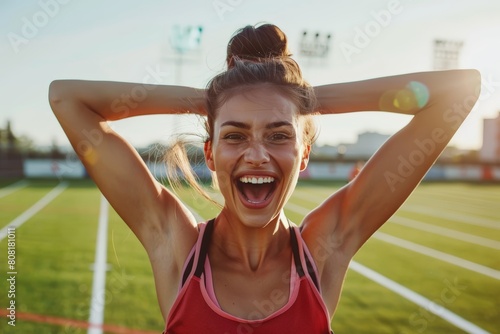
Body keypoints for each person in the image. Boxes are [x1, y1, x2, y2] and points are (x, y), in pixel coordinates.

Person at [49, 23, 481, 333]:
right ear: (212, 154)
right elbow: (66, 97)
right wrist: (214, 98)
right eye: (235, 135)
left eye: (279, 135)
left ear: (304, 153)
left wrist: (302, 99)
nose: (257, 155)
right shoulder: (176, 246)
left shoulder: (323, 247)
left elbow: (459, 91)